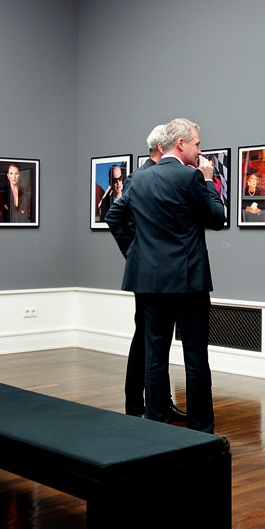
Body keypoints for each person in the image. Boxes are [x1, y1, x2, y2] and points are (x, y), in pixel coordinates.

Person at [106, 118, 226, 434]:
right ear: (181, 144)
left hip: (151, 282)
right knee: (196, 359)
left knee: (155, 357)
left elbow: (114, 216)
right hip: (188, 282)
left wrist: (136, 253)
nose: (201, 149)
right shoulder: (191, 178)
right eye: (197, 143)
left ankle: (156, 424)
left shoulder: (140, 179)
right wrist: (211, 181)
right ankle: (201, 429)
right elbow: (217, 218)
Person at [109, 125, 186, 422]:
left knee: (157, 340)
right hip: (146, 273)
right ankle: (136, 406)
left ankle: (159, 402)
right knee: (145, 338)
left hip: (162, 272)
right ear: (160, 147)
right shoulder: (138, 178)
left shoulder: (161, 174)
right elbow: (117, 219)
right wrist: (132, 251)